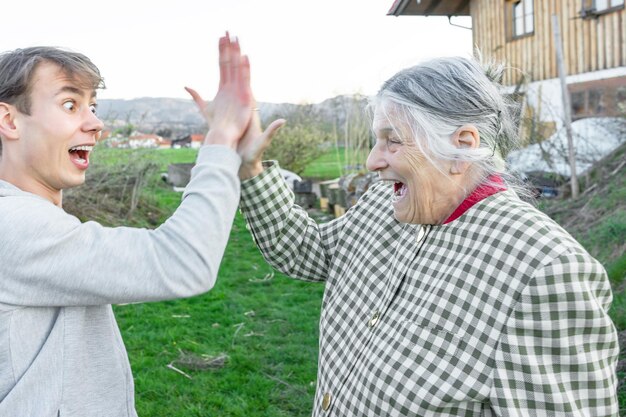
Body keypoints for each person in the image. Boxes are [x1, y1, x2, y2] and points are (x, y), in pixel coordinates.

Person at [238, 56, 620, 416]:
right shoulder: (384, 201)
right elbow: (308, 253)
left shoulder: (545, 270)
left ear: (462, 146)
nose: (373, 160)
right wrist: (249, 167)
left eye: (393, 140)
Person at [0, 34, 254, 416]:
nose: (96, 123)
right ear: (9, 121)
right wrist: (220, 140)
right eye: (70, 105)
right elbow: (183, 262)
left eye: (93, 106)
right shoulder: (15, 224)